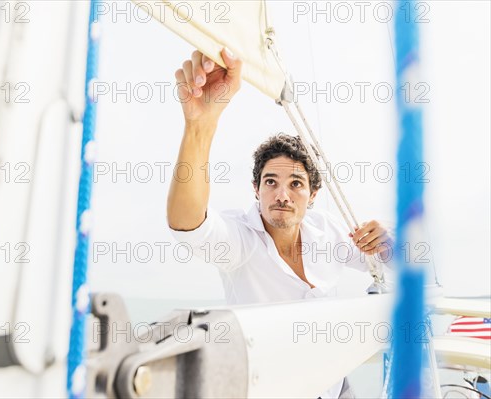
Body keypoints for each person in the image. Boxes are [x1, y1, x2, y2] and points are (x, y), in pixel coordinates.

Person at [167, 48, 393, 398]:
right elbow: (188, 224)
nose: (282, 195)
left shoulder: (328, 229)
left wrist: (387, 242)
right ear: (255, 189)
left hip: (336, 387)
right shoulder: (240, 241)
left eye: (296, 184)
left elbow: (388, 264)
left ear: (313, 194)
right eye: (271, 182)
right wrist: (200, 125)